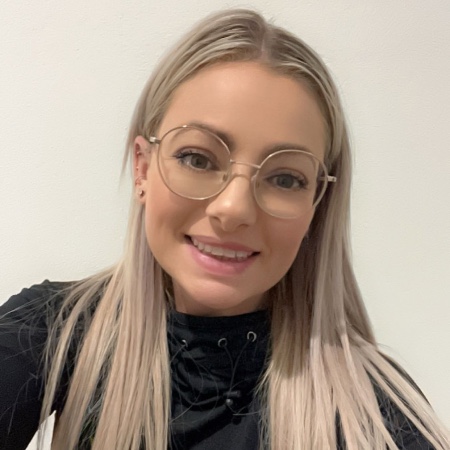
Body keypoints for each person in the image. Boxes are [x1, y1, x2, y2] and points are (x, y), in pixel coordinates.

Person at [0, 8, 448, 450]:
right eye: (197, 158)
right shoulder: (48, 331)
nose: (234, 209)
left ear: (317, 202)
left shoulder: (375, 413)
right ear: (142, 168)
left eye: (285, 178)